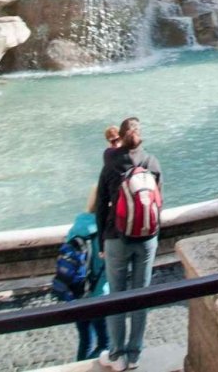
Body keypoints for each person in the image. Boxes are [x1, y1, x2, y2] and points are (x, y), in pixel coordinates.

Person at [95, 117, 162, 371]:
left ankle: (116, 355)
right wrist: (154, 235)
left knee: (117, 295)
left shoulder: (111, 163)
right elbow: (159, 202)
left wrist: (102, 240)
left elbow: (101, 205)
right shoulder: (153, 162)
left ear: (120, 138)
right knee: (140, 295)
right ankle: (135, 355)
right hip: (147, 239)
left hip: (116, 237)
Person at [61, 190, 110, 362]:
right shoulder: (106, 228)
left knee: (85, 340)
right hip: (99, 295)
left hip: (77, 293)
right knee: (105, 343)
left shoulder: (77, 225)